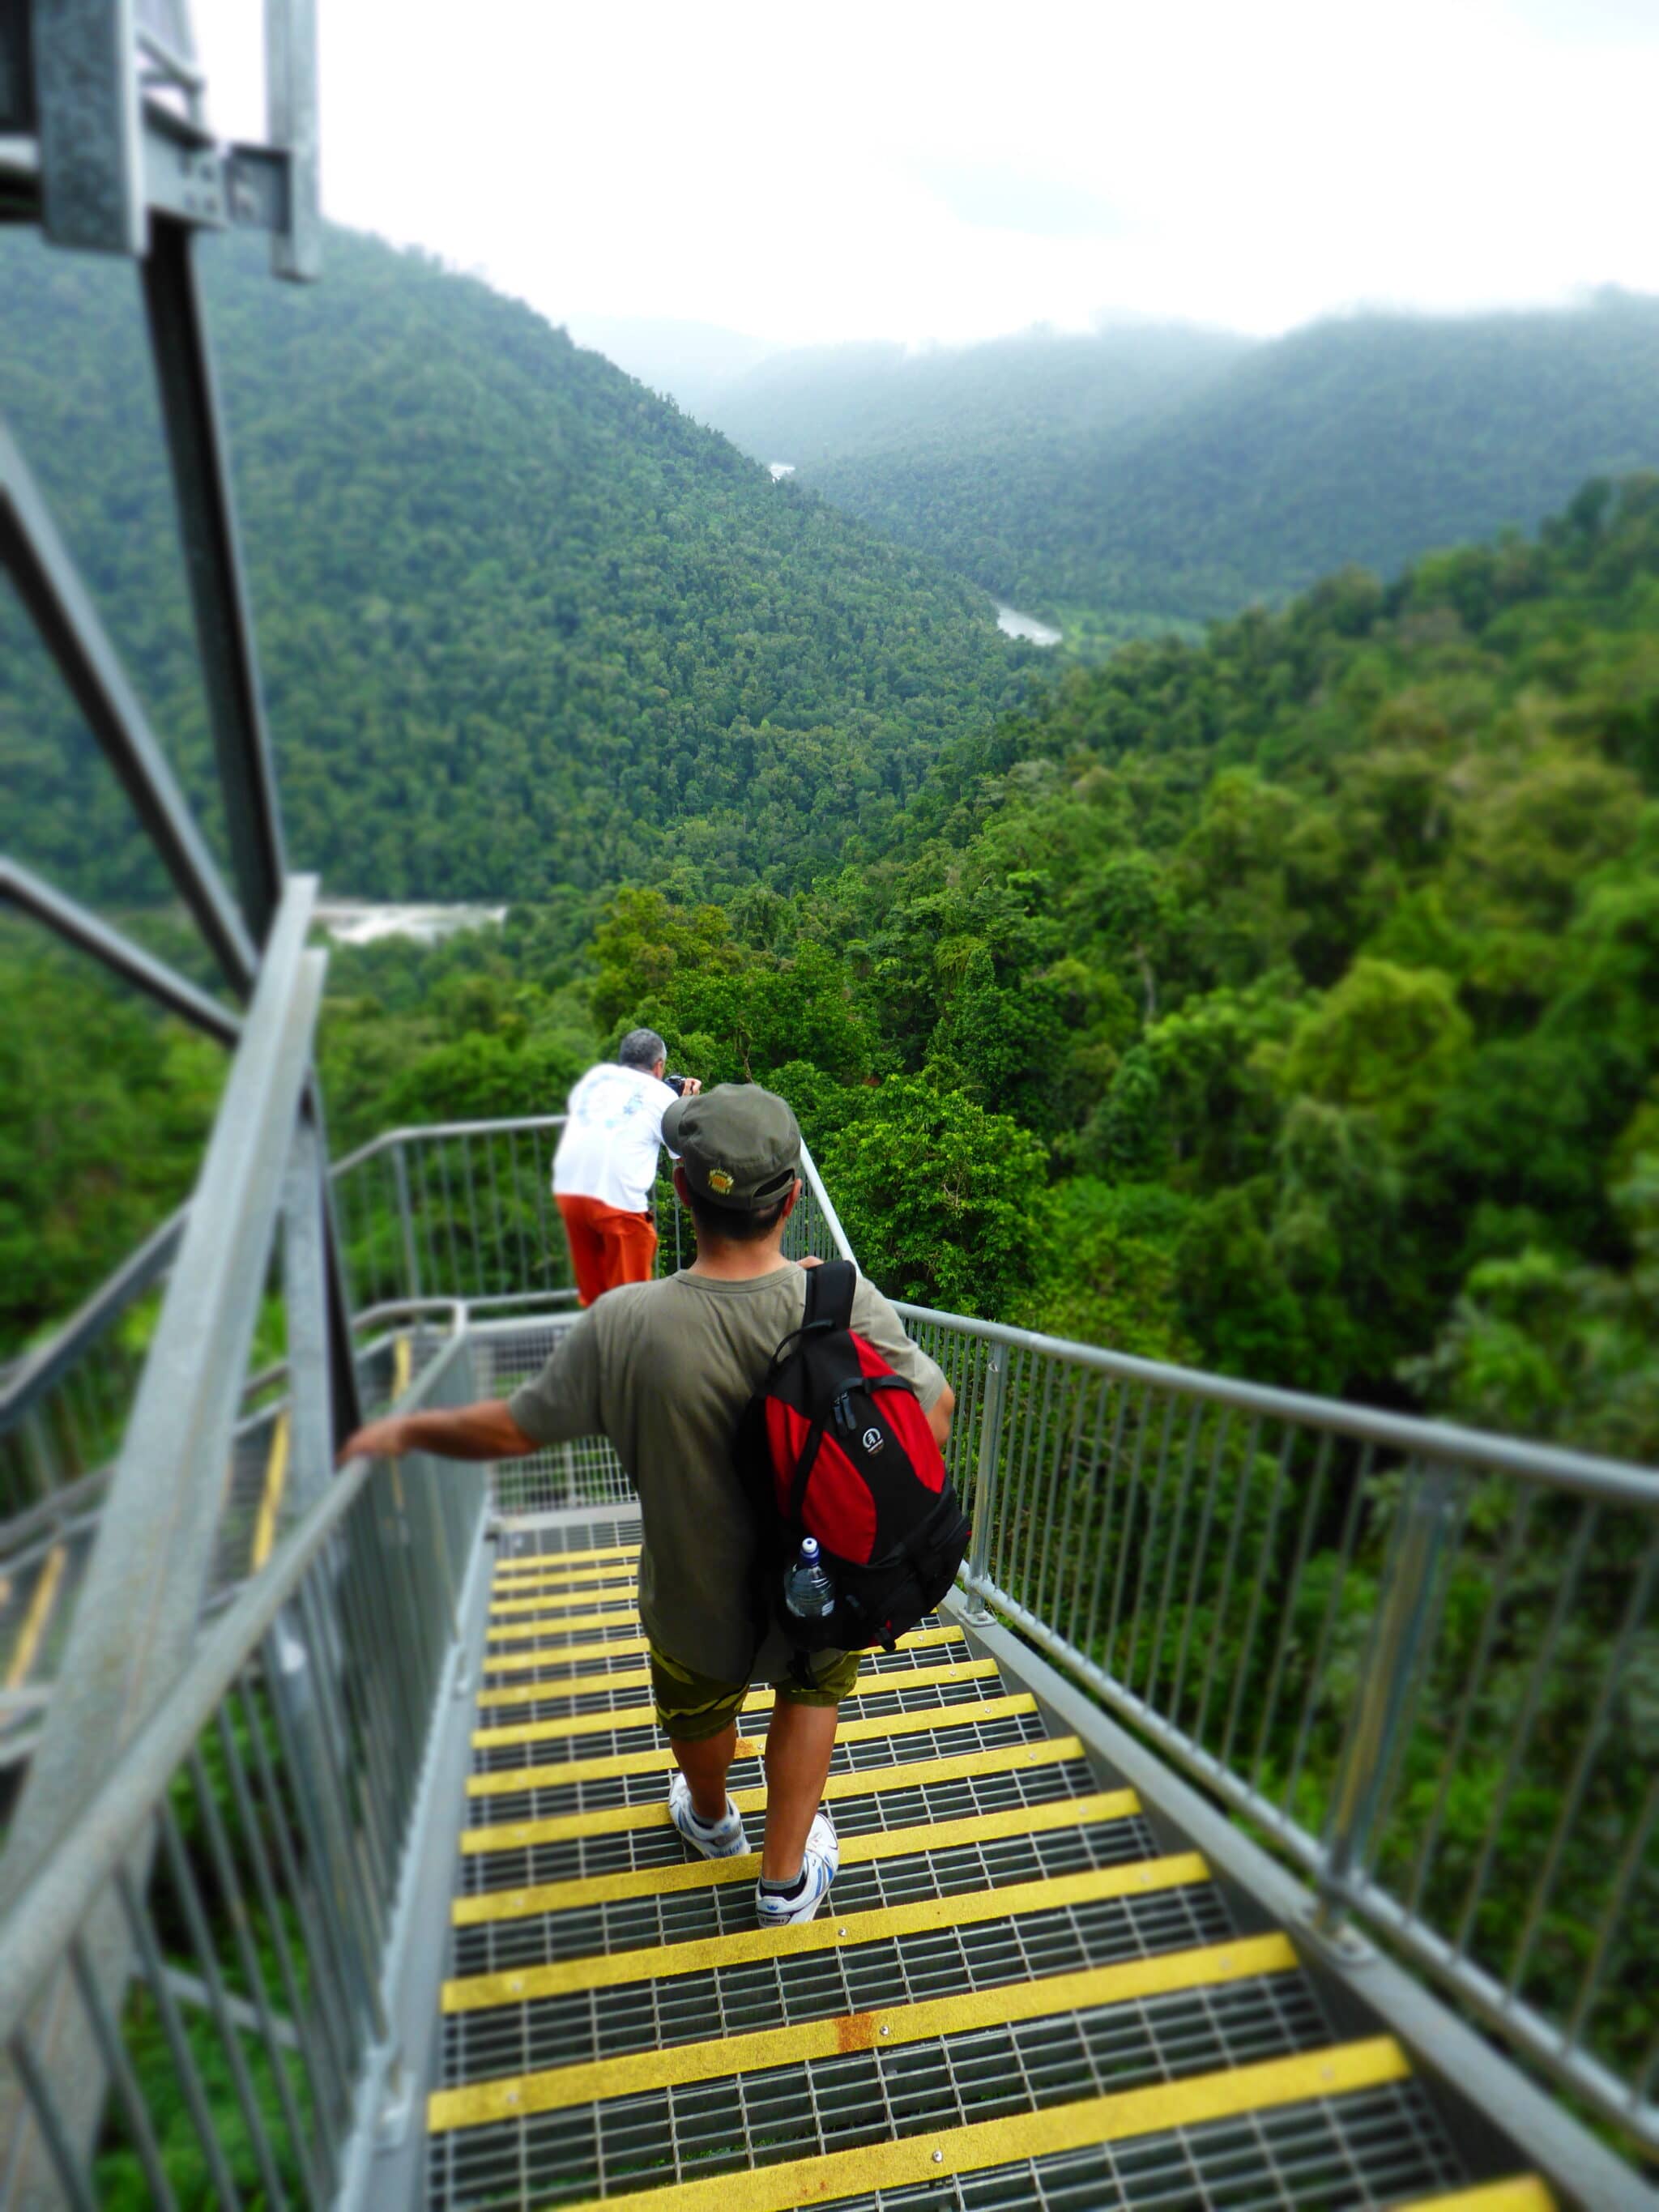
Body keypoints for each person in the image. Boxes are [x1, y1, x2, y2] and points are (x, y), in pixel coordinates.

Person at [339, 1084, 954, 1929]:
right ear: (792, 1201)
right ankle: (784, 1883)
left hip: (694, 1603)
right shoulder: (839, 1301)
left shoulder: (623, 1323)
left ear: (680, 1192)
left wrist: (406, 1428)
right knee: (813, 1691)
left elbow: (515, 1428)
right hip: (823, 1581)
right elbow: (936, 1411)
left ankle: (710, 1817)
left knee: (698, 1711)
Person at [552, 1028, 700, 1306]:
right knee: (630, 1304)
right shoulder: (663, 1097)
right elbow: (682, 1155)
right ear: (659, 1066)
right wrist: (684, 1107)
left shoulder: (595, 1079)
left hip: (570, 1195)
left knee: (596, 1299)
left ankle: (599, 1330)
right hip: (617, 1204)